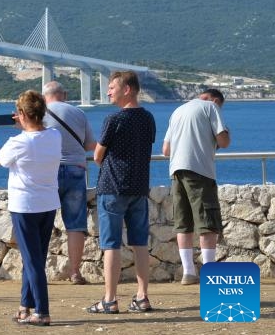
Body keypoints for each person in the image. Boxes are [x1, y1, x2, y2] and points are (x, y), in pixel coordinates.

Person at [0, 90, 61, 326]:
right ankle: (25, 306)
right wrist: (26, 124)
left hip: (25, 206)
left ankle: (42, 311)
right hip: (48, 204)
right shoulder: (55, 136)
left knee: (32, 261)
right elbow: (37, 138)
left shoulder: (17, 143)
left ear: (21, 114)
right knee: (35, 258)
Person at [87, 71, 157, 315]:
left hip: (112, 188)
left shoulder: (113, 119)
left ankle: (109, 299)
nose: (108, 91)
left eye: (112, 87)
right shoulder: (148, 118)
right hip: (139, 187)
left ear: (127, 89)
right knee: (140, 243)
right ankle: (142, 297)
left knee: (111, 244)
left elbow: (98, 156)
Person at [162, 88, 230, 285]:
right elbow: (223, 141)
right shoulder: (211, 107)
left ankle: (189, 272)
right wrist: (227, 134)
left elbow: (166, 150)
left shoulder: (178, 111)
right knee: (207, 222)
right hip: (200, 170)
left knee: (184, 223)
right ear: (215, 100)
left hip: (176, 171)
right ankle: (210, 274)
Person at [41, 80, 97, 285]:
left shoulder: (39, 113)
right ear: (63, 94)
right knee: (75, 224)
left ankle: (40, 272)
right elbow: (90, 144)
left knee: (42, 221)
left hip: (48, 171)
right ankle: (75, 272)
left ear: (44, 95)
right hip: (75, 170)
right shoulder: (78, 113)